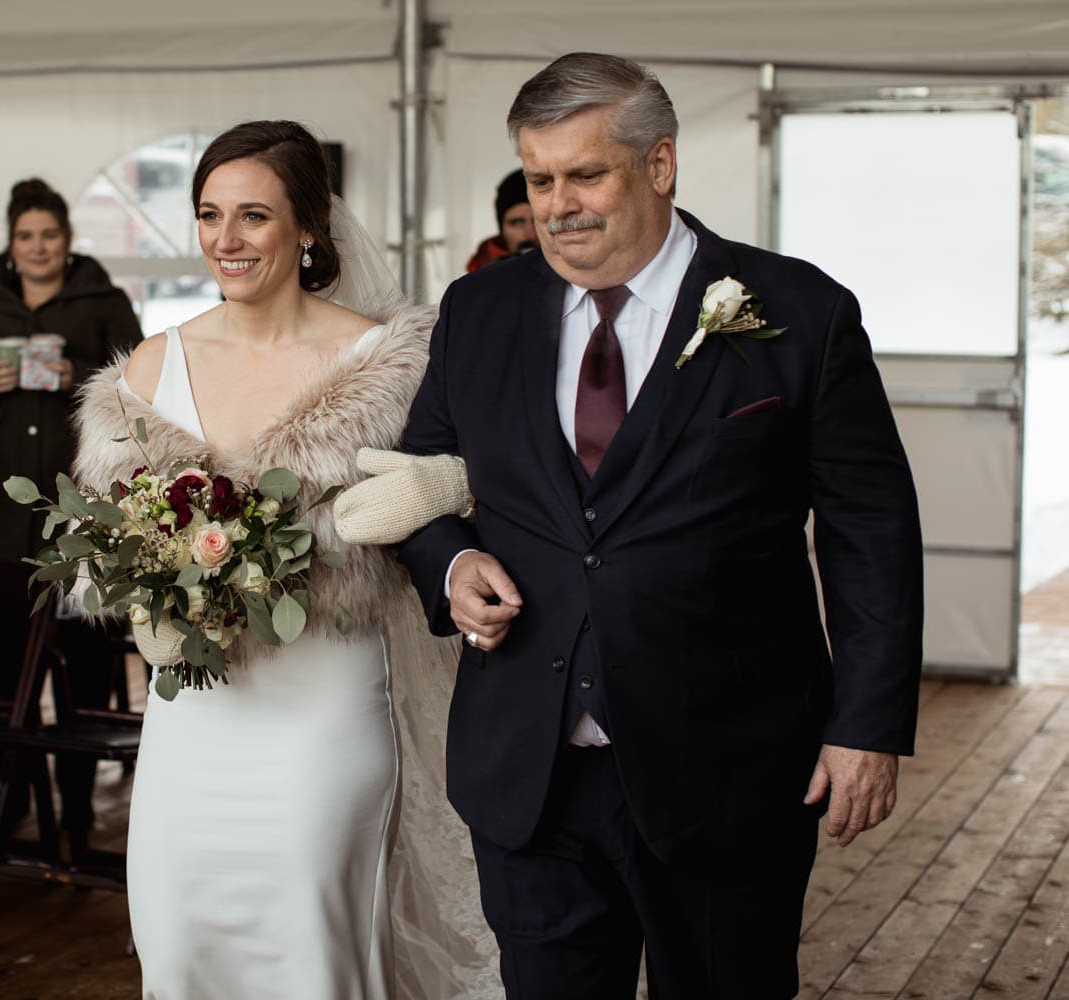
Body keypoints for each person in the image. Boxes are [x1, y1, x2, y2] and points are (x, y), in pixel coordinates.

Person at [388, 52, 923, 999]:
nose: (558, 205)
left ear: (661, 165)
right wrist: (453, 558)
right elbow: (421, 479)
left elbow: (868, 530)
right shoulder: (477, 310)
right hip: (530, 770)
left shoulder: (802, 313)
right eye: (539, 179)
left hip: (730, 772)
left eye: (586, 174)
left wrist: (868, 724)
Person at [72, 120, 496, 999]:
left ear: (307, 227)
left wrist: (445, 487)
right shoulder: (153, 367)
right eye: (208, 215)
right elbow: (105, 539)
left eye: (253, 216)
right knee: (177, 935)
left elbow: (488, 485)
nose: (226, 240)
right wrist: (145, 598)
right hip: (195, 708)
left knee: (310, 939)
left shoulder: (391, 361)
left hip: (326, 705)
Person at [0, 177, 141, 850]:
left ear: (68, 241)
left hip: (80, 505)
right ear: (11, 245)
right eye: (26, 237)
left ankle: (81, 798)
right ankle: (10, 789)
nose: (39, 247)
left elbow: (140, 386)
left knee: (84, 652)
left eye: (50, 235)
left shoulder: (103, 301)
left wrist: (77, 371)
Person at [464, 170, 535, 272]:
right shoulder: (476, 280)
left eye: (538, 221)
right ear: (502, 230)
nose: (531, 235)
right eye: (517, 223)